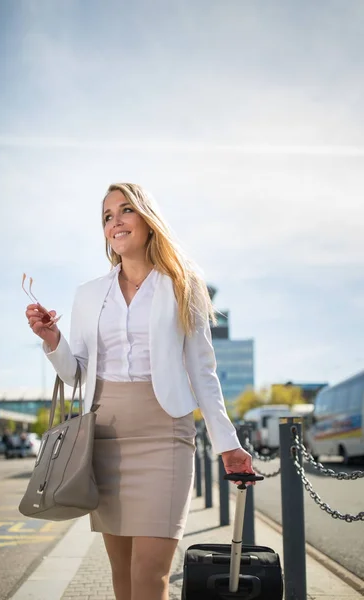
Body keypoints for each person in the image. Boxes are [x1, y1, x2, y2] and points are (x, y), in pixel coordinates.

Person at [25, 183, 255, 600]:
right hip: (103, 436)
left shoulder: (183, 285)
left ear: (148, 221)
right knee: (123, 579)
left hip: (164, 434)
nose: (115, 221)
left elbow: (203, 373)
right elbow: (76, 374)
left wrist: (228, 444)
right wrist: (52, 339)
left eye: (125, 210)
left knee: (150, 578)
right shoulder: (88, 294)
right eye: (107, 216)